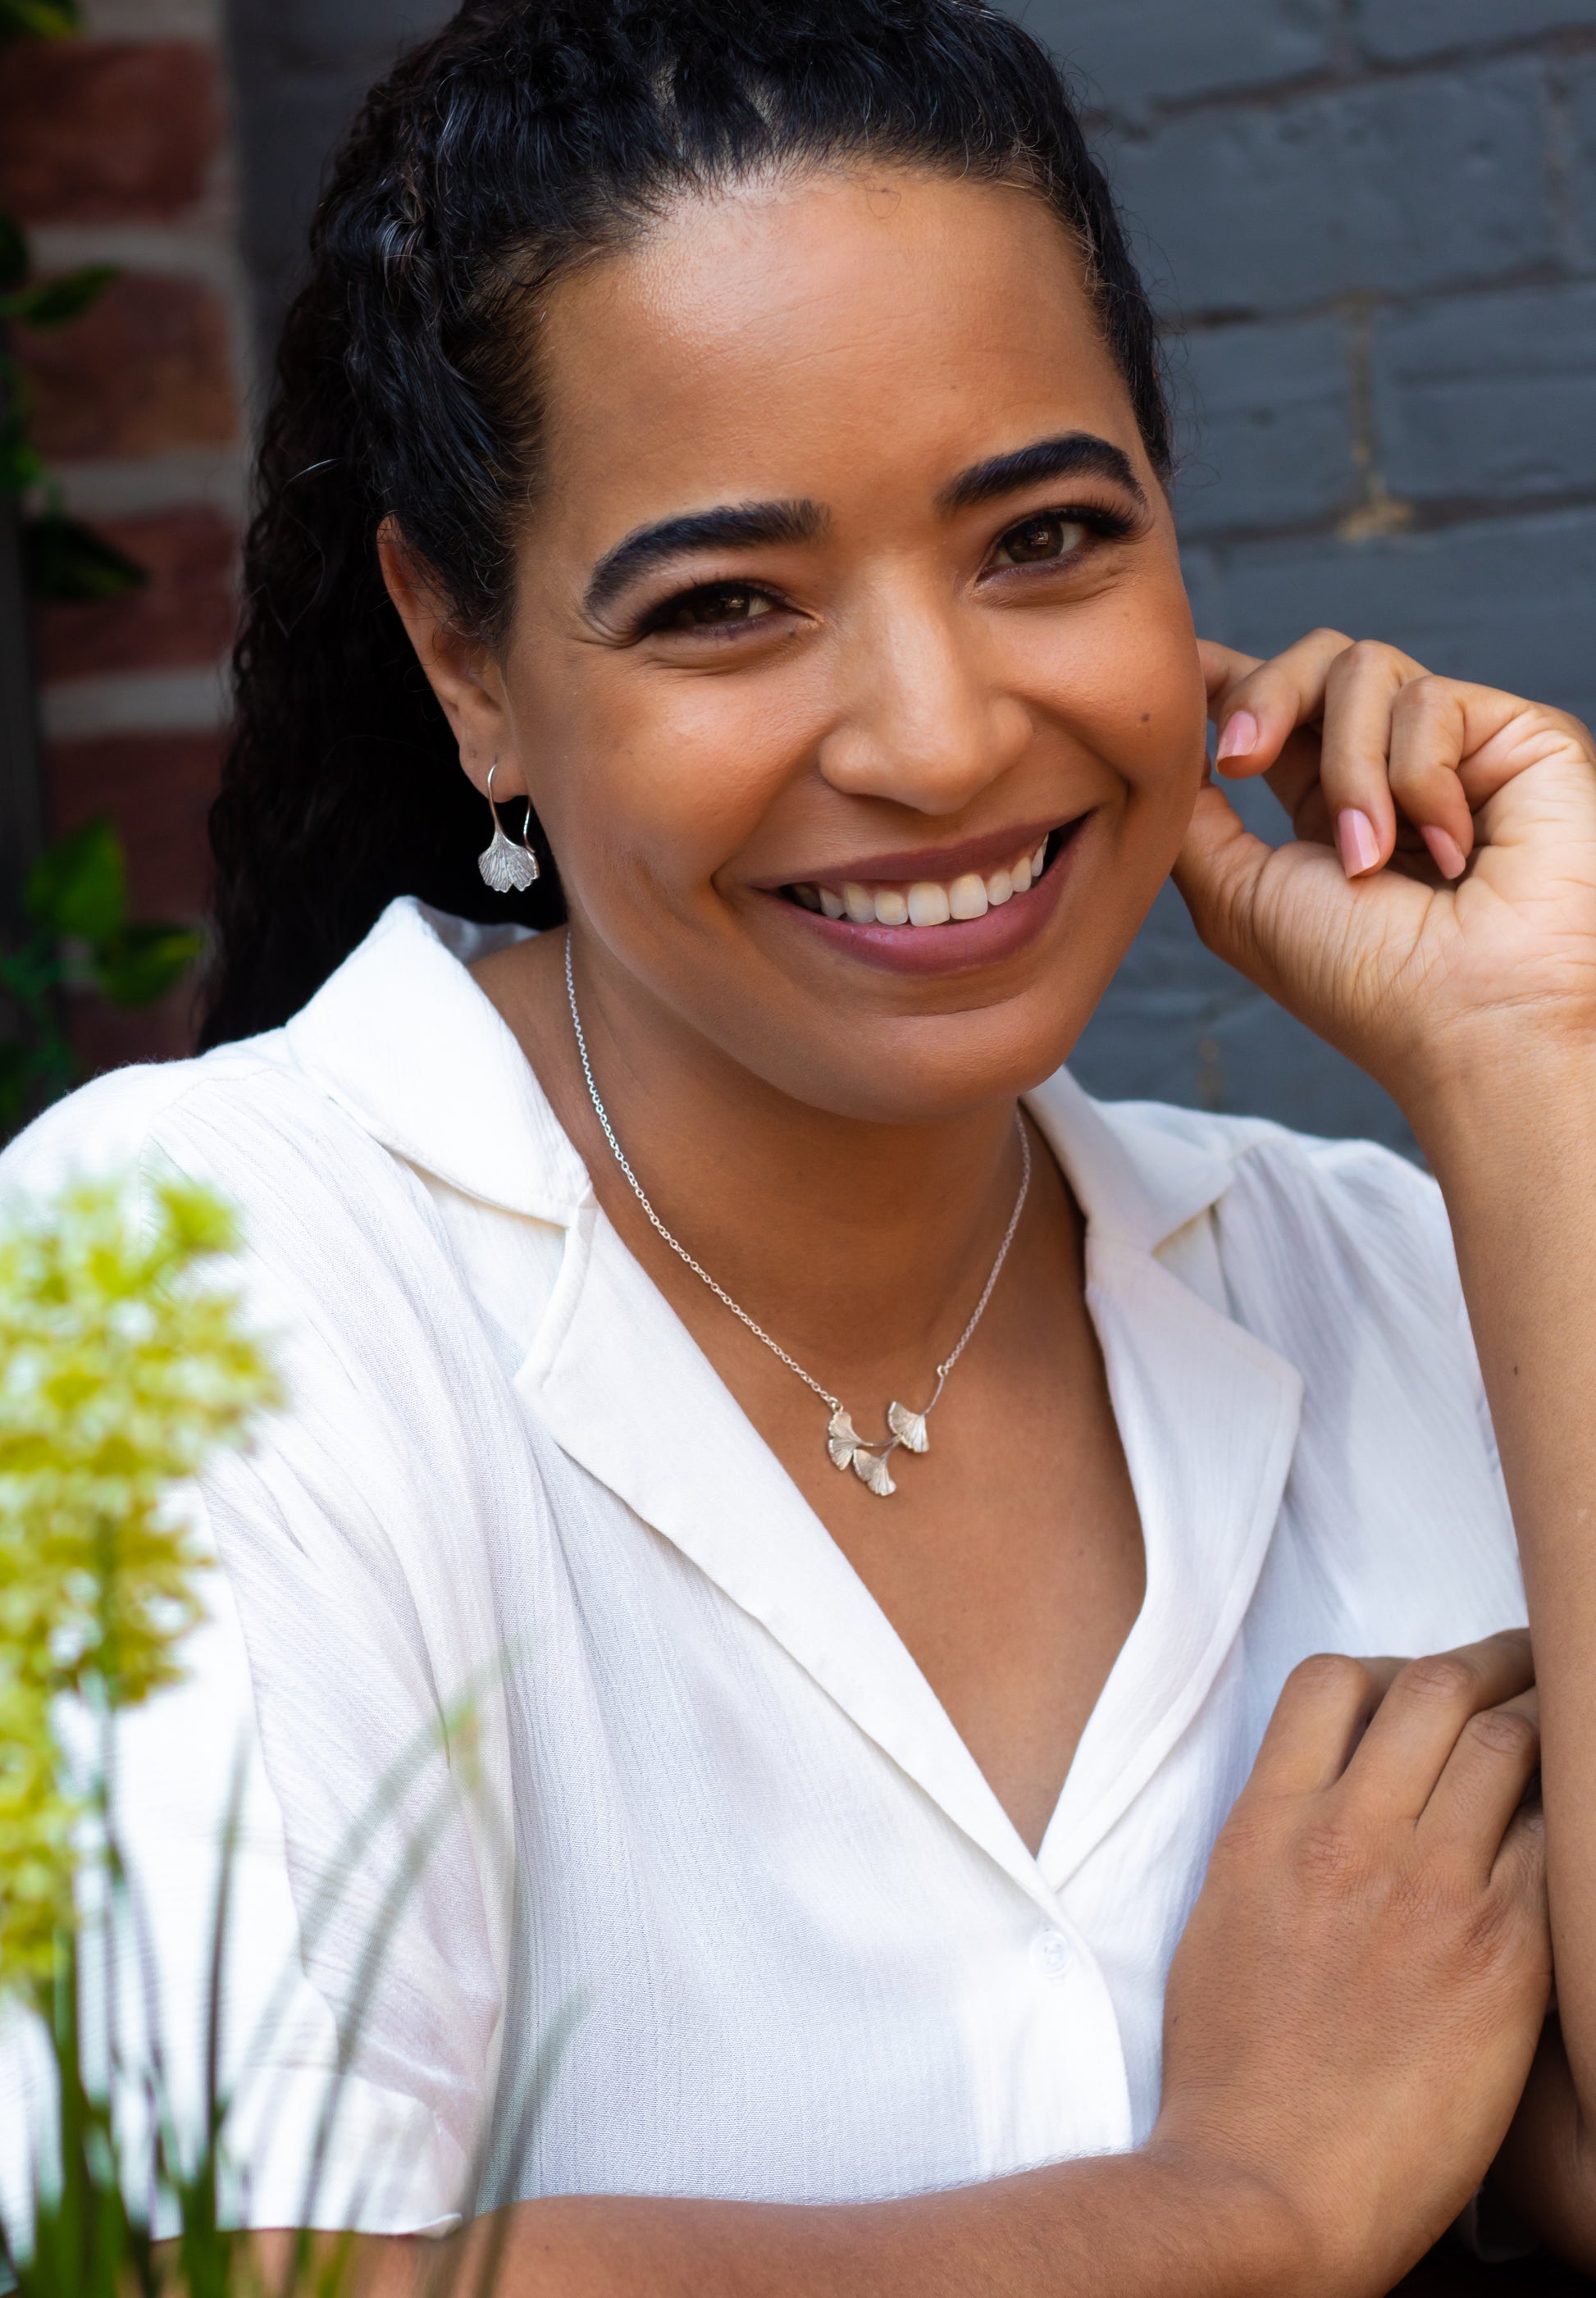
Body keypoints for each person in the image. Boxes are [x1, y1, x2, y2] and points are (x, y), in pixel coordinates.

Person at [5, 0, 1596, 2289]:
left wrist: (1537, 1074)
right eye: (725, 603)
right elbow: (190, 2268)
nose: (940, 736)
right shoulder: (186, 1277)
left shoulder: (1399, 1275)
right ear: (465, 659)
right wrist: (1234, 2201)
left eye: (1043, 537)